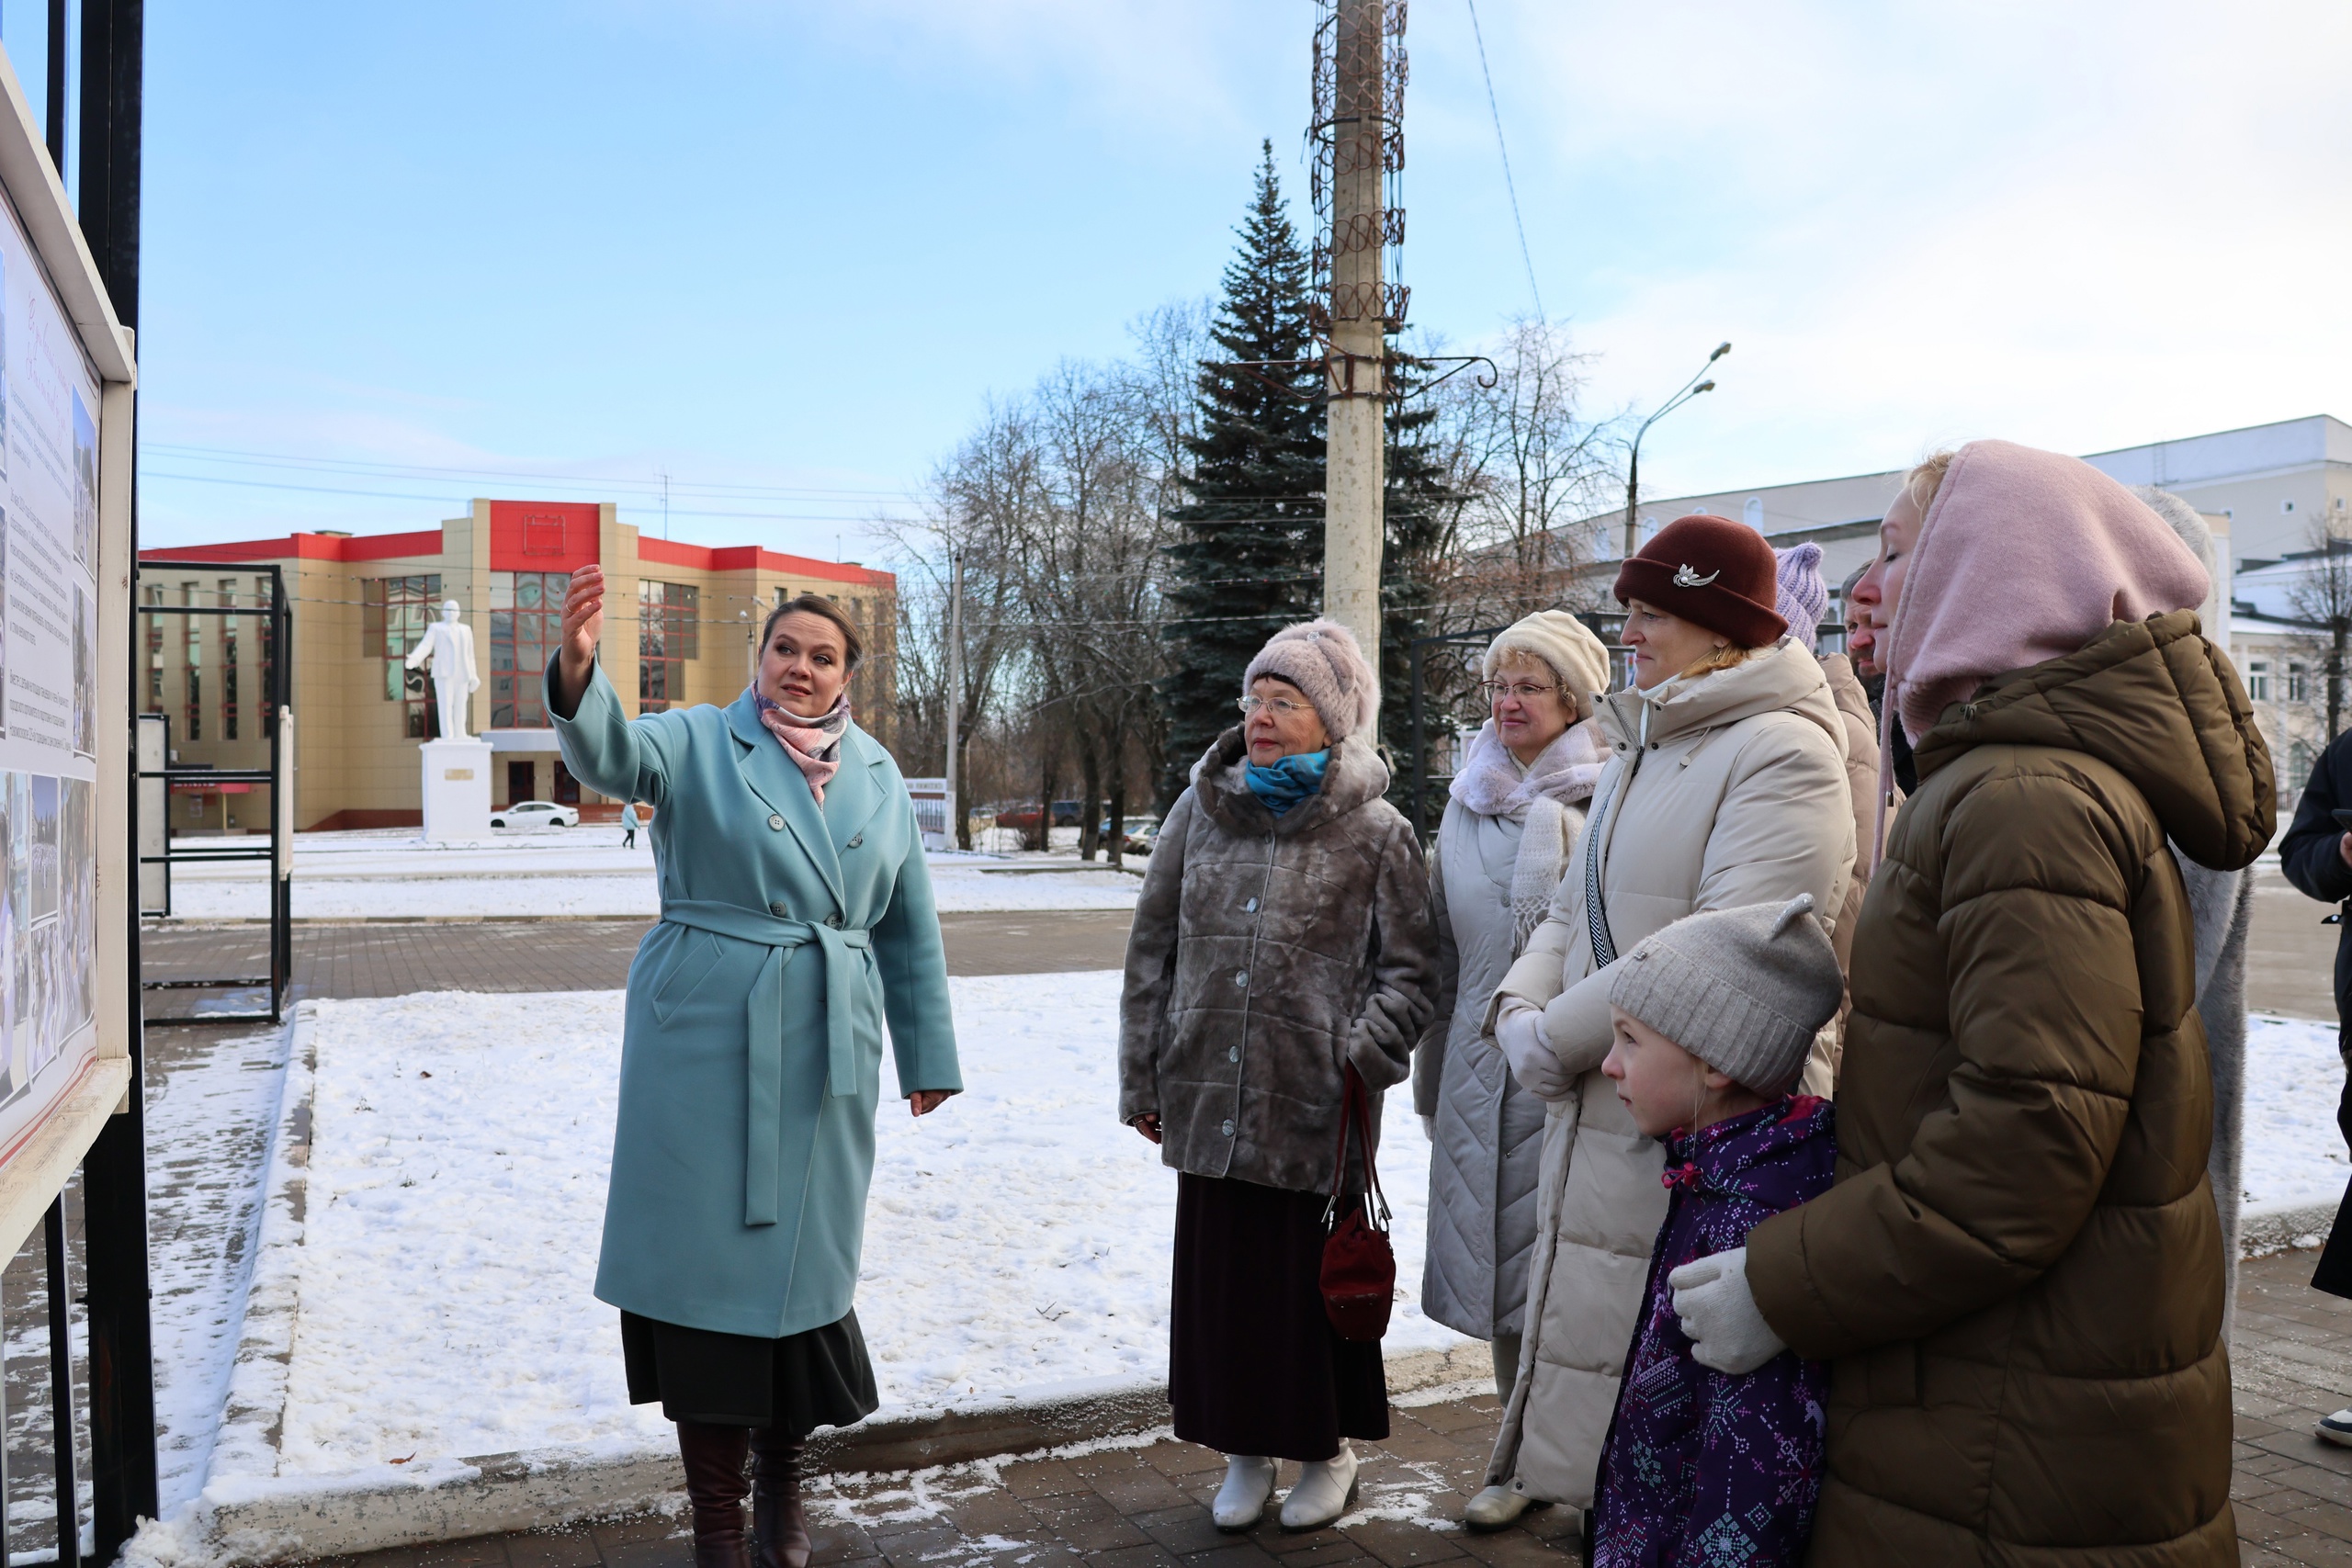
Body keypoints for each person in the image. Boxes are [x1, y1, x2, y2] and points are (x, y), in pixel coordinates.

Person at [1678, 440, 2270, 1566]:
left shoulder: (2022, 800)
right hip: (2012, 1378)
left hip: (2008, 1414)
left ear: (1986, 569)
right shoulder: (2004, 777)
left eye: (1899, 554)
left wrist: (1786, 1281)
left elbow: (2028, 1138)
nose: (1871, 585)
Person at [548, 568, 963, 1568]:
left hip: (825, 1042)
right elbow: (609, 753)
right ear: (760, 660)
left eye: (824, 657)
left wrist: (927, 1051)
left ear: (848, 675)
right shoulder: (696, 739)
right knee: (706, 1285)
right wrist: (578, 667)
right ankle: (719, 1525)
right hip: (702, 1042)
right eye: (787, 650)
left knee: (800, 1289)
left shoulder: (875, 774)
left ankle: (782, 1494)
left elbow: (906, 922)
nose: (802, 669)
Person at [1476, 514, 1856, 1539]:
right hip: (1609, 1102)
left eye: (1650, 612)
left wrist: (1553, 1039)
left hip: (1704, 1128)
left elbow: (1722, 950)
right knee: (1606, 1398)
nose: (1628, 631)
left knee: (1679, 1439)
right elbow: (1570, 910)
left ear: (1719, 624)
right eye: (1630, 609)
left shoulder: (1783, 752)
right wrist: (1518, 1006)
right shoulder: (1645, 741)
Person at [1118, 619, 1439, 1535]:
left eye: (1284, 700)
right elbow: (1153, 951)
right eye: (1255, 698)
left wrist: (1357, 1054)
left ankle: (1324, 1454)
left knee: (1302, 1291)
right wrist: (1146, 1074)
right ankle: (1243, 1455)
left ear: (1329, 719)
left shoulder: (1378, 832)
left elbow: (1412, 974)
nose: (1260, 715)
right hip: (1209, 1093)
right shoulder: (1198, 812)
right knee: (1225, 1289)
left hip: (1313, 1107)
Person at [1413, 611, 1611, 1527]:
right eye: (1499, 685)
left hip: (1582, 1076)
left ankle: (1588, 1469)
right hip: (1473, 1072)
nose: (1507, 702)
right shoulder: (1465, 802)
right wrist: (1429, 1077)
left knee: (1571, 1283)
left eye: (1529, 686)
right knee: (1502, 1280)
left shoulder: (1609, 794)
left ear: (1572, 701)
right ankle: (1514, 1461)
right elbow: (1442, 954)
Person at [1588, 895, 1845, 1568]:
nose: (1610, 1063)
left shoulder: (1751, 1220)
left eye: (1631, 1038)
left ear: (1716, 1061)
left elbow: (1755, 1462)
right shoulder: (1716, 1174)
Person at [1775, 543, 1894, 1095]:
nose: (1860, 638)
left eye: (1874, 621)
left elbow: (1845, 910)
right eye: (1850, 623)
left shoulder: (1832, 733)